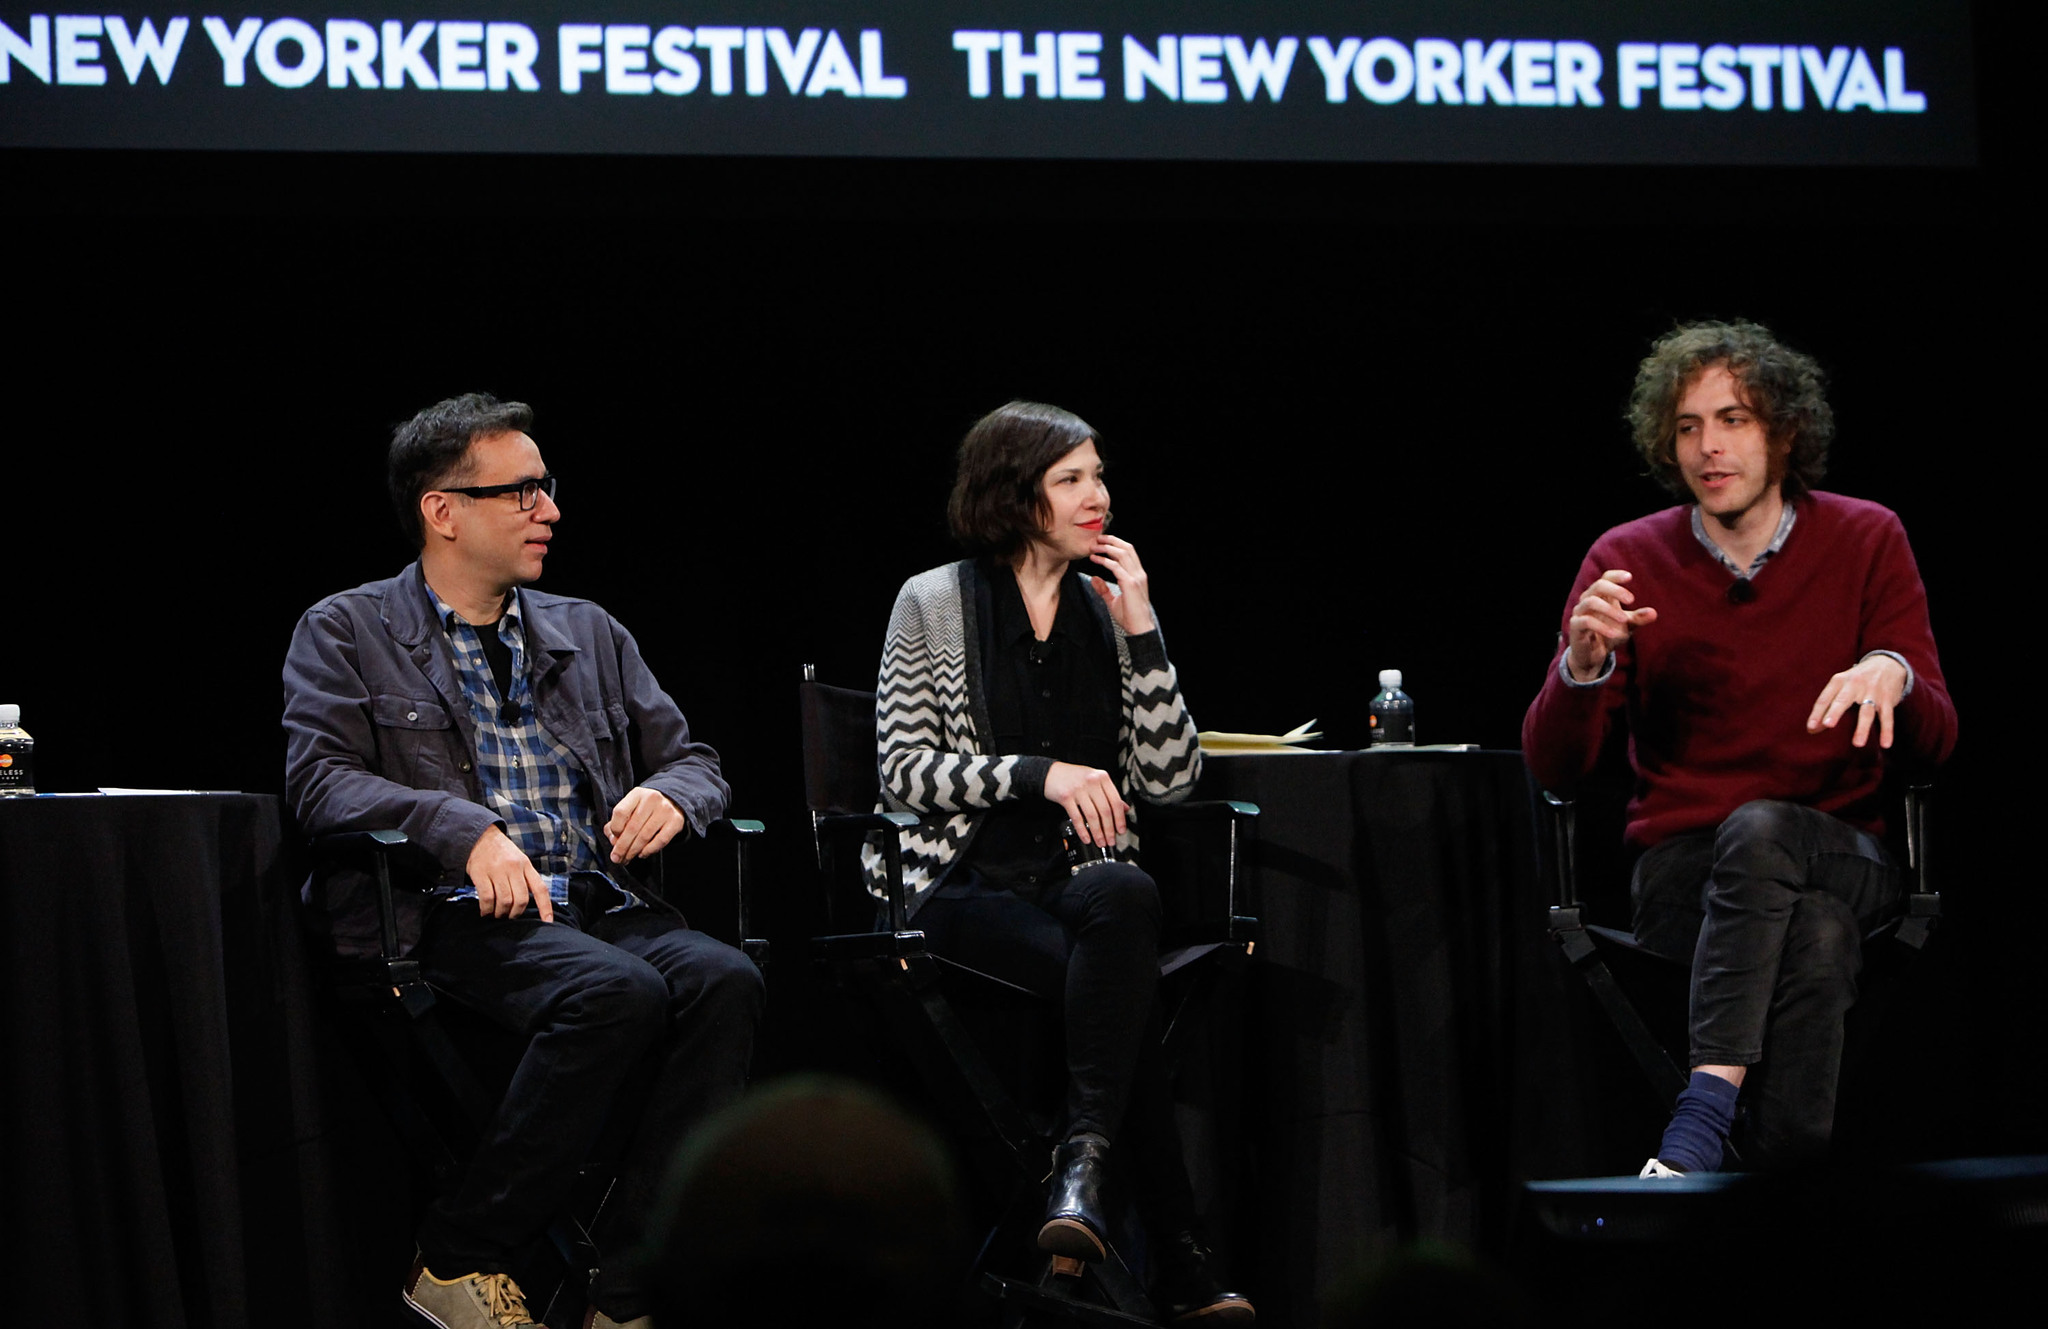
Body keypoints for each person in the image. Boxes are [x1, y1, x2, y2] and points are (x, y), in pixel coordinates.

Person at [283, 393, 764, 1329]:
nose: (551, 509)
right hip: (452, 911)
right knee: (615, 993)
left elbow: (695, 759)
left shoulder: (589, 632)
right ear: (443, 508)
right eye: (524, 491)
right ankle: (461, 1253)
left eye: (548, 487)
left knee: (725, 979)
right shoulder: (344, 630)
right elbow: (319, 786)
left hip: (600, 904)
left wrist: (674, 795)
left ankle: (624, 1293)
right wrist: (457, 826)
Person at [1523, 321, 1956, 1174]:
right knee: (1821, 939)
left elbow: (1937, 743)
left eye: (1735, 420)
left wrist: (1894, 674)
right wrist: (1580, 666)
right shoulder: (1625, 559)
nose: (1709, 447)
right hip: (1686, 879)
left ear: (1785, 432)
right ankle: (1776, 1217)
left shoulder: (1868, 539)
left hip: (1842, 848)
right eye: (1689, 426)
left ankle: (1701, 1116)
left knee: (1768, 833)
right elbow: (1553, 768)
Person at [867, 400, 1253, 1323]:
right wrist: (1040, 774)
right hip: (954, 880)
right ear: (1016, 491)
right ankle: (1179, 1262)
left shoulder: (1104, 605)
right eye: (1072, 478)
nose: (1099, 497)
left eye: (1099, 475)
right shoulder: (933, 600)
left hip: (1076, 881)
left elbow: (1167, 778)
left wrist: (1145, 629)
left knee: (1127, 887)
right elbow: (903, 767)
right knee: (1123, 1001)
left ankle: (1080, 1167)